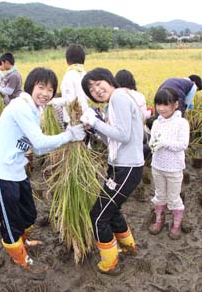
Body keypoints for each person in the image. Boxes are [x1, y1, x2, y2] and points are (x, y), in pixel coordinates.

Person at [0, 67, 86, 269]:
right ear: (31, 87)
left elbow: (36, 147)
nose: (45, 94)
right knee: (10, 221)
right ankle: (19, 256)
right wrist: (69, 135)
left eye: (50, 89)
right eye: (41, 87)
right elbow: (39, 145)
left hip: (17, 172)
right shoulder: (20, 107)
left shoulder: (33, 109)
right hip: (1, 175)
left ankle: (23, 240)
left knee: (28, 213)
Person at [80, 68, 144, 275]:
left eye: (98, 83)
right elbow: (113, 140)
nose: (96, 90)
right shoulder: (112, 104)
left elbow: (123, 135)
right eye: (91, 89)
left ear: (109, 80)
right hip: (119, 166)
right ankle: (128, 247)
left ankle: (110, 263)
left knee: (98, 216)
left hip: (127, 169)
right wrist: (95, 129)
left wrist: (95, 122)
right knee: (111, 209)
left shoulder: (119, 98)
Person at [148, 88, 189, 239]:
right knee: (159, 195)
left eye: (165, 104)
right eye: (158, 104)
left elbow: (183, 144)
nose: (161, 108)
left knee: (173, 197)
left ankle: (176, 225)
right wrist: (153, 144)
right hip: (157, 166)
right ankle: (159, 221)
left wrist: (164, 143)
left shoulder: (181, 123)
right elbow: (152, 140)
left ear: (176, 105)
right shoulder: (157, 122)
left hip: (174, 169)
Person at [115, 69, 152, 159]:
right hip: (138, 133)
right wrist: (150, 112)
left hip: (120, 134)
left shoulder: (115, 95)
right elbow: (143, 116)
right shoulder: (140, 96)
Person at [48, 44, 88, 124]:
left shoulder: (69, 76)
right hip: (86, 115)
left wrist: (51, 101)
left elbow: (68, 100)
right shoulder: (85, 74)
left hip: (73, 119)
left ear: (67, 60)